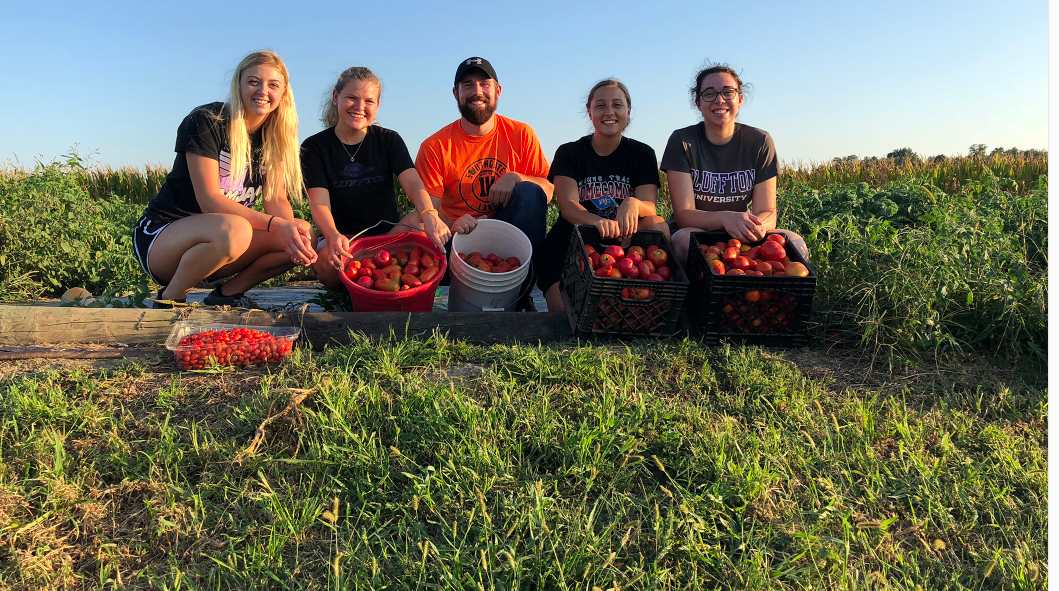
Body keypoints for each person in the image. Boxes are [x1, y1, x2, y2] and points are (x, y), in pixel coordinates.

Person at [133, 50, 317, 309]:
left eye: (273, 85)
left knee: (303, 233)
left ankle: (226, 295)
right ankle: (170, 300)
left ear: (284, 93)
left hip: (224, 241)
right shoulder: (208, 120)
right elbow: (210, 201)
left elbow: (275, 199)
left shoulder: (275, 137)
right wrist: (276, 226)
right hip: (163, 239)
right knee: (236, 228)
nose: (263, 90)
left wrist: (293, 238)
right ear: (239, 84)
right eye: (254, 81)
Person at [415, 57, 552, 311]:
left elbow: (548, 189)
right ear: (456, 94)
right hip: (456, 240)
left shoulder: (521, 134)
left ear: (497, 91)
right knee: (416, 227)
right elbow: (429, 211)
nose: (477, 91)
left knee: (530, 191)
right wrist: (452, 224)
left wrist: (515, 177)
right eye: (467, 85)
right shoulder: (435, 146)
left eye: (484, 84)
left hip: (506, 236)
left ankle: (520, 295)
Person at [301, 67, 449, 290]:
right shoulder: (315, 147)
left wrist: (429, 214)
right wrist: (332, 235)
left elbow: (412, 181)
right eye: (351, 98)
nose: (360, 107)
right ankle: (359, 283)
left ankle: (384, 279)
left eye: (368, 101)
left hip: (388, 237)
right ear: (335, 97)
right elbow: (319, 202)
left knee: (422, 220)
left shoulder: (388, 140)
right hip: (345, 241)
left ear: (377, 106)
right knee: (324, 263)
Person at [535, 79, 669, 312]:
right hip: (574, 237)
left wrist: (634, 203)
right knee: (564, 313)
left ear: (628, 111)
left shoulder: (642, 153)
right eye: (600, 106)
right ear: (589, 112)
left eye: (617, 105)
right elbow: (568, 207)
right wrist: (598, 221)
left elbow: (650, 206)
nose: (609, 112)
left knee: (656, 223)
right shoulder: (569, 152)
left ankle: (653, 296)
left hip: (626, 240)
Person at [661, 63, 807, 265]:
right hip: (696, 231)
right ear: (698, 103)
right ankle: (695, 296)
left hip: (742, 232)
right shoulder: (682, 141)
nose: (719, 100)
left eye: (728, 92)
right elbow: (685, 214)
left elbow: (768, 211)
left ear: (740, 99)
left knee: (796, 243)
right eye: (709, 94)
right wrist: (725, 219)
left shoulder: (760, 141)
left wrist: (756, 226)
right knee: (687, 241)